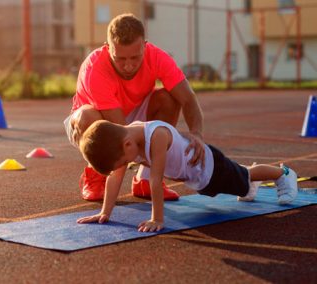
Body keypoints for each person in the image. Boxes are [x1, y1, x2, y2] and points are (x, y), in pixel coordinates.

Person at [64, 13, 205, 201]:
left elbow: (188, 99)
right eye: (120, 59)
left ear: (144, 46)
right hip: (96, 122)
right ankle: (95, 176)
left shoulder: (158, 57)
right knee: (88, 116)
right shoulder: (94, 68)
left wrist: (196, 133)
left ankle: (146, 181)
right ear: (108, 48)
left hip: (134, 112)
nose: (128, 66)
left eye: (135, 57)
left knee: (168, 99)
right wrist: (163, 155)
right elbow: (121, 132)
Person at [77, 120, 298, 232]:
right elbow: (114, 177)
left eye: (125, 162)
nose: (126, 166)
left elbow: (155, 179)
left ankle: (283, 173)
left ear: (126, 144)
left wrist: (157, 219)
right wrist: (104, 212)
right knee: (243, 184)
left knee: (245, 176)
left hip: (211, 167)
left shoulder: (156, 136)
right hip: (199, 179)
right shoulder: (126, 141)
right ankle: (250, 183)